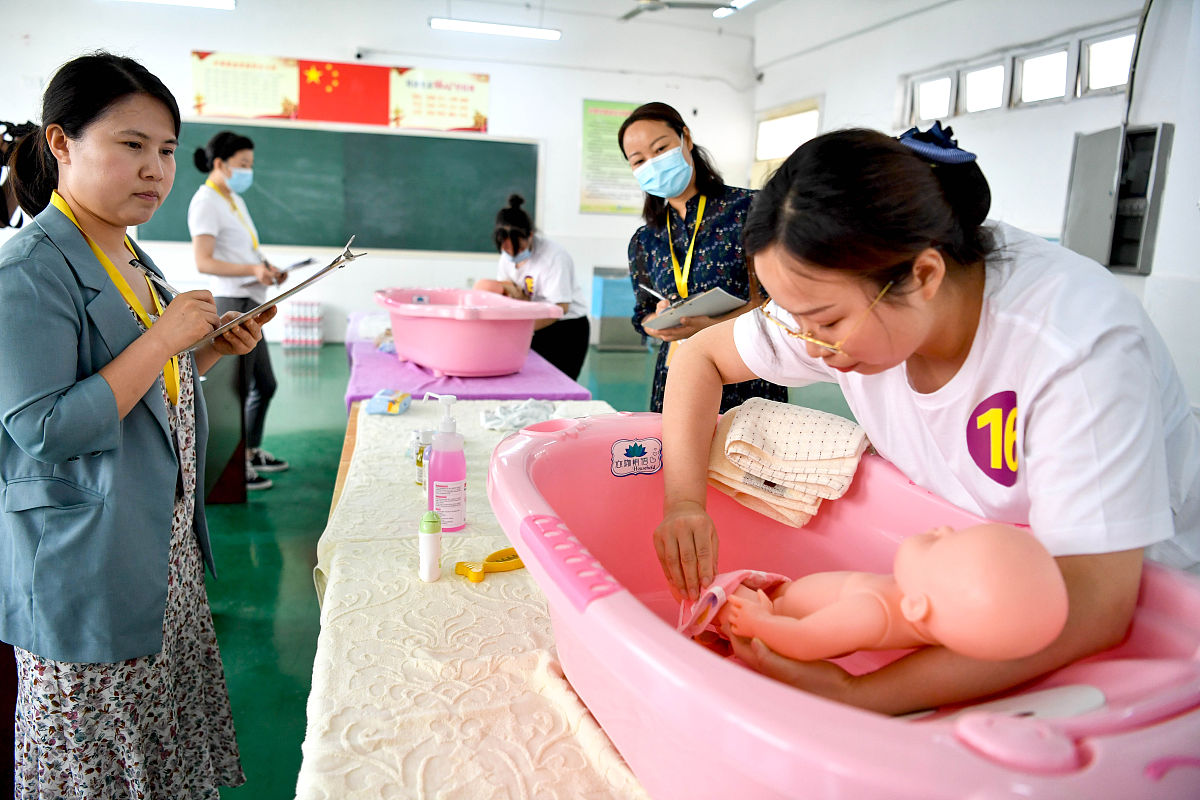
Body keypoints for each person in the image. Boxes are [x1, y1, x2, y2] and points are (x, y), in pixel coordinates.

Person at [653, 124, 1200, 715]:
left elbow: (1094, 608)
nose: (809, 348)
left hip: (1143, 615)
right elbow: (700, 355)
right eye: (794, 319)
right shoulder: (852, 290)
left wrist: (858, 694)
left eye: (827, 322)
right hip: (980, 578)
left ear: (925, 275)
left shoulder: (1075, 349)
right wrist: (684, 503)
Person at [0, 52, 275, 796]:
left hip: (159, 554)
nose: (155, 169)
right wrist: (162, 340)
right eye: (131, 145)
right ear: (61, 143)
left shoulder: (127, 253)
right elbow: (46, 428)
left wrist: (207, 351)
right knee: (100, 764)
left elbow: (144, 392)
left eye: (162, 150)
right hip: (84, 570)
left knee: (160, 754)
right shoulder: (28, 270)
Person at [684, 523, 1068, 663]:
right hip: (781, 603)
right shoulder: (925, 604)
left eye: (939, 545)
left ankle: (708, 644)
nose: (945, 528)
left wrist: (761, 621)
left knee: (721, 595)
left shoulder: (874, 613)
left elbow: (806, 639)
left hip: (777, 619)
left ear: (918, 606)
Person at [619, 102, 786, 413]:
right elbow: (641, 313)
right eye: (638, 160)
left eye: (660, 149)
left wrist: (711, 325)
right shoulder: (645, 240)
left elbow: (782, 300)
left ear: (686, 138)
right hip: (677, 374)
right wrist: (655, 324)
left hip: (748, 371)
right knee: (677, 457)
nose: (652, 164)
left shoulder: (751, 209)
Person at [188, 130, 288, 490]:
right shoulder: (206, 202)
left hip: (251, 300)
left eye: (250, 164)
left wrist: (267, 267)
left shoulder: (232, 199)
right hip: (232, 304)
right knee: (242, 389)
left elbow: (245, 251)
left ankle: (252, 451)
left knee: (263, 383)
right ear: (220, 164)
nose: (248, 171)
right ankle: (236, 466)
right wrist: (252, 271)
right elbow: (204, 261)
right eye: (243, 164)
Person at [484, 193, 590, 380]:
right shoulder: (506, 256)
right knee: (527, 380)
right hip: (533, 323)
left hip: (566, 328)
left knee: (559, 385)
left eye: (517, 249)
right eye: (505, 249)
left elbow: (560, 308)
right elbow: (509, 289)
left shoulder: (554, 257)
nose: (511, 255)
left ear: (530, 236)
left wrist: (520, 328)